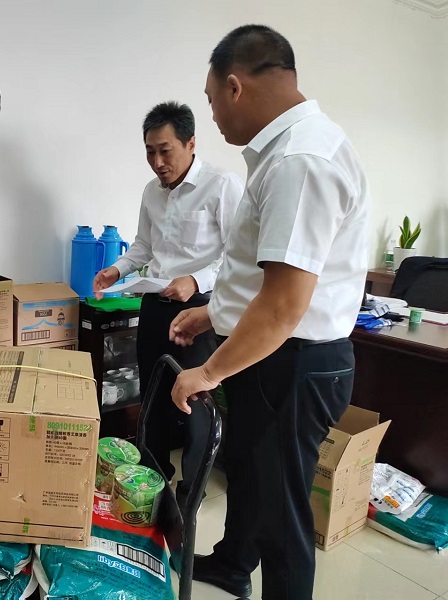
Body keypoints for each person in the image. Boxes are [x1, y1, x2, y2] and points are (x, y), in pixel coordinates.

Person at [169, 25, 369, 599]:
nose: (213, 115)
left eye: (211, 100)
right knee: (253, 477)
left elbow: (283, 305)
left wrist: (209, 371)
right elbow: (264, 277)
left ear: (235, 87)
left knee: (283, 514)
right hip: (274, 354)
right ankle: (234, 565)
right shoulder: (289, 152)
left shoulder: (300, 161)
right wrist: (215, 314)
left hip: (294, 362)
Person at [92, 102, 243, 489]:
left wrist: (196, 279)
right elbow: (144, 245)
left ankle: (191, 491)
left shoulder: (221, 185)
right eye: (150, 152)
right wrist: (117, 270)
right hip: (155, 307)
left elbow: (239, 254)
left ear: (191, 143)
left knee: (197, 404)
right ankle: (154, 480)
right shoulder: (152, 192)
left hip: (200, 312)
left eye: (165, 150)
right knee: (153, 397)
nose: (157, 162)